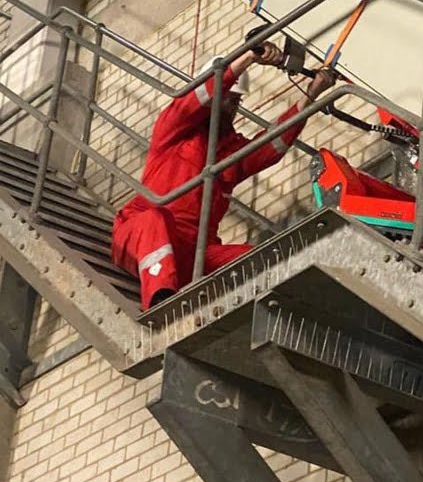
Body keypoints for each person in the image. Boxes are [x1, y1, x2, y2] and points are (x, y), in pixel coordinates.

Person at [111, 36, 336, 309]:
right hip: (140, 236)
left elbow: (271, 145)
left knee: (258, 256)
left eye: (236, 102)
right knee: (154, 220)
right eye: (227, 98)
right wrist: (247, 58)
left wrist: (312, 92)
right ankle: (161, 305)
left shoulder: (230, 151)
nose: (232, 107)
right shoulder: (173, 130)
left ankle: (296, 308)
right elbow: (195, 99)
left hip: (194, 252)